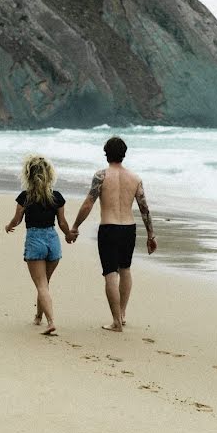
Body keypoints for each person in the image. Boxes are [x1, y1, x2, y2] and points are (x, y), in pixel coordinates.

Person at [70, 136, 157, 332]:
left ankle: (116, 321)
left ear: (106, 154)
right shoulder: (135, 179)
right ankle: (122, 314)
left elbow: (88, 203)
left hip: (109, 228)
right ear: (124, 155)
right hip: (129, 228)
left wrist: (75, 226)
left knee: (111, 273)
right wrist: (151, 235)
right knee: (125, 269)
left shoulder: (101, 176)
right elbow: (144, 208)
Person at [5, 155, 73, 335]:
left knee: (41, 284)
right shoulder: (56, 197)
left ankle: (50, 321)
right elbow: (63, 223)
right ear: (49, 174)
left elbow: (17, 220)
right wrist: (69, 235)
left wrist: (8, 226)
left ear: (28, 175)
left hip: (35, 240)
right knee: (45, 283)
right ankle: (38, 317)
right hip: (53, 240)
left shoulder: (25, 197)